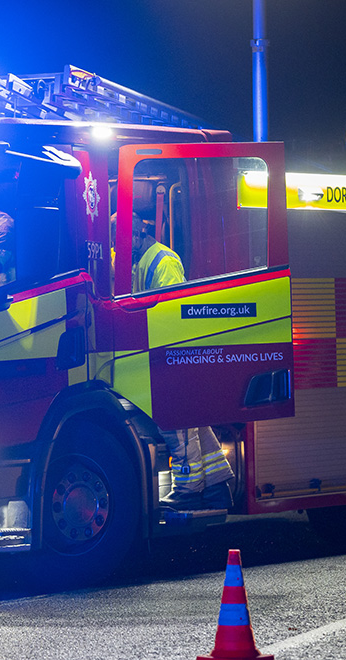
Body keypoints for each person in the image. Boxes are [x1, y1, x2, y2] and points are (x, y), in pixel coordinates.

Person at [130, 213, 235, 510]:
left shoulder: (163, 262)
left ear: (138, 234)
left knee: (176, 425)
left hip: (170, 352)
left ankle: (188, 489)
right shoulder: (142, 260)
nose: (119, 248)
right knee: (192, 424)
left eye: (122, 239)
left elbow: (175, 310)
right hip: (160, 352)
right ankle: (216, 487)